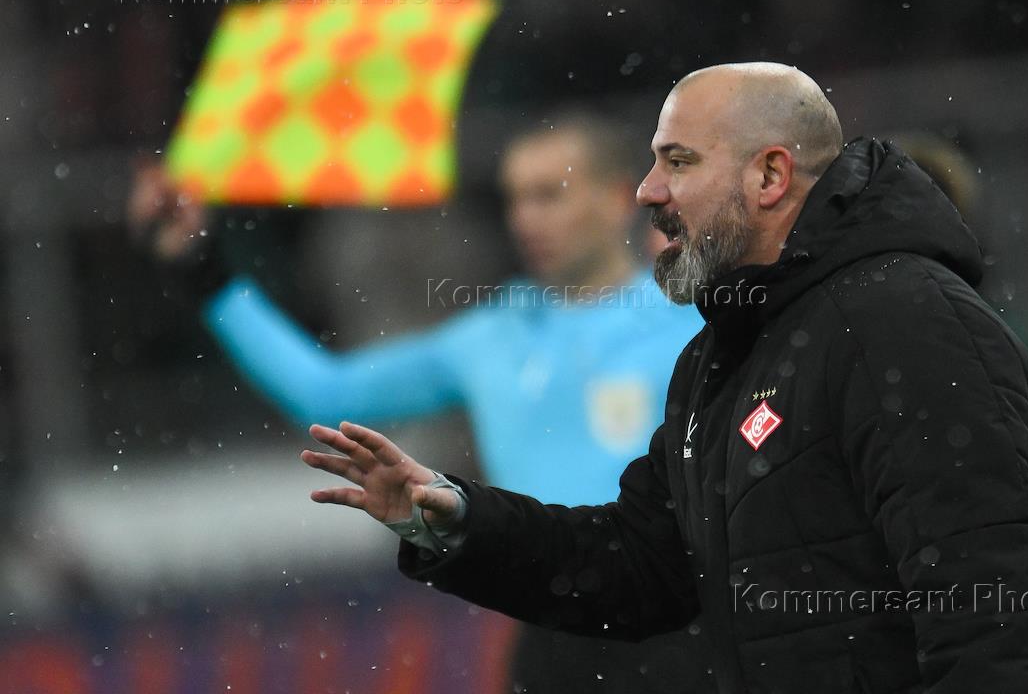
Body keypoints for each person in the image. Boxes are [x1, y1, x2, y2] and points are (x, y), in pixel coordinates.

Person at [302, 62, 1028, 693]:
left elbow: (986, 614)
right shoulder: (722, 358)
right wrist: (454, 520)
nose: (647, 191)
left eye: (678, 161)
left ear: (770, 176)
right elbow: (639, 563)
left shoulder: (904, 321)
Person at [129, 113, 709, 692]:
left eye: (548, 194)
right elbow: (325, 393)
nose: (525, 218)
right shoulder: (491, 337)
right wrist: (203, 267)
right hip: (552, 644)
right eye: (514, 198)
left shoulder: (694, 320)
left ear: (616, 199)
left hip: (682, 632)